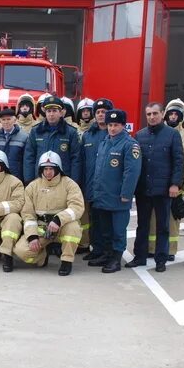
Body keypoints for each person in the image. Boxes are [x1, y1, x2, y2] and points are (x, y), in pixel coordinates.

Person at [125, 102, 184, 273]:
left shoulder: (172, 135)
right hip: (144, 189)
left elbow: (178, 161)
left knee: (162, 226)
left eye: (155, 113)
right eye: (149, 114)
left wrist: (175, 184)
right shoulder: (139, 135)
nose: (152, 117)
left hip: (164, 189)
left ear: (163, 114)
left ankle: (161, 259)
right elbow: (134, 163)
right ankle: (140, 257)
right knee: (142, 225)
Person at [13, 151, 84, 276]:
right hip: (41, 227)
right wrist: (32, 236)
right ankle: (43, 255)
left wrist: (58, 219)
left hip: (62, 225)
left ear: (58, 169)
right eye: (45, 169)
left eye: (51, 168)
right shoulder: (32, 187)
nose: (48, 172)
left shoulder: (69, 184)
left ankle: (66, 261)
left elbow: (77, 207)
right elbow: (28, 214)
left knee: (73, 228)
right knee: (21, 251)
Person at [89, 110, 141, 273]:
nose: (112, 128)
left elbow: (131, 172)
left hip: (118, 198)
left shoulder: (129, 144)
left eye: (116, 125)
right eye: (110, 125)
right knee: (105, 230)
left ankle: (116, 260)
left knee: (118, 231)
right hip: (102, 196)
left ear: (123, 126)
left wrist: (126, 194)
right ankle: (106, 254)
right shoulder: (105, 142)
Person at [147, 98, 184, 260]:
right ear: (165, 115)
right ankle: (152, 248)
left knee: (172, 222)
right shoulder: (155, 132)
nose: (173, 117)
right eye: (171, 114)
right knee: (153, 219)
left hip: (176, 186)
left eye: (177, 114)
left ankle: (170, 251)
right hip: (156, 185)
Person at [81, 98, 113, 263]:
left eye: (104, 112)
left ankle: (107, 252)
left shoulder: (114, 134)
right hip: (91, 185)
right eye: (98, 112)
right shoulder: (88, 136)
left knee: (106, 221)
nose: (101, 115)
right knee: (94, 220)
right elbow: (82, 161)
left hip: (109, 188)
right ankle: (96, 249)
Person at [23, 95, 81, 185]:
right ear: (45, 113)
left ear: (61, 113)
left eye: (54, 111)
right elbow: (29, 157)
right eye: (48, 111)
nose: (51, 114)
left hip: (63, 181)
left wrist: (74, 182)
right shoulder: (36, 131)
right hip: (40, 181)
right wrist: (29, 181)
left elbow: (76, 159)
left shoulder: (71, 132)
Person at [0, 108, 28, 182]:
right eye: (3, 119)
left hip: (17, 177)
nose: (6, 122)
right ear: (0, 121)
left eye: (9, 119)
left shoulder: (24, 137)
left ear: (15, 120)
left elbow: (26, 161)